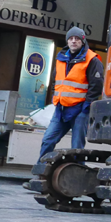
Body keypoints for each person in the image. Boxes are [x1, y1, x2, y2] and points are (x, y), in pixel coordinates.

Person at [37, 26, 103, 161]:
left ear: (82, 41)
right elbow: (56, 82)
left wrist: (86, 108)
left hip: (80, 110)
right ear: (67, 41)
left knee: (77, 147)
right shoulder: (61, 58)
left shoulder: (92, 60)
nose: (73, 41)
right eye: (71, 38)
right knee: (48, 140)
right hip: (61, 109)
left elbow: (96, 86)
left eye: (77, 39)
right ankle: (41, 170)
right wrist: (55, 99)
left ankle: (77, 173)